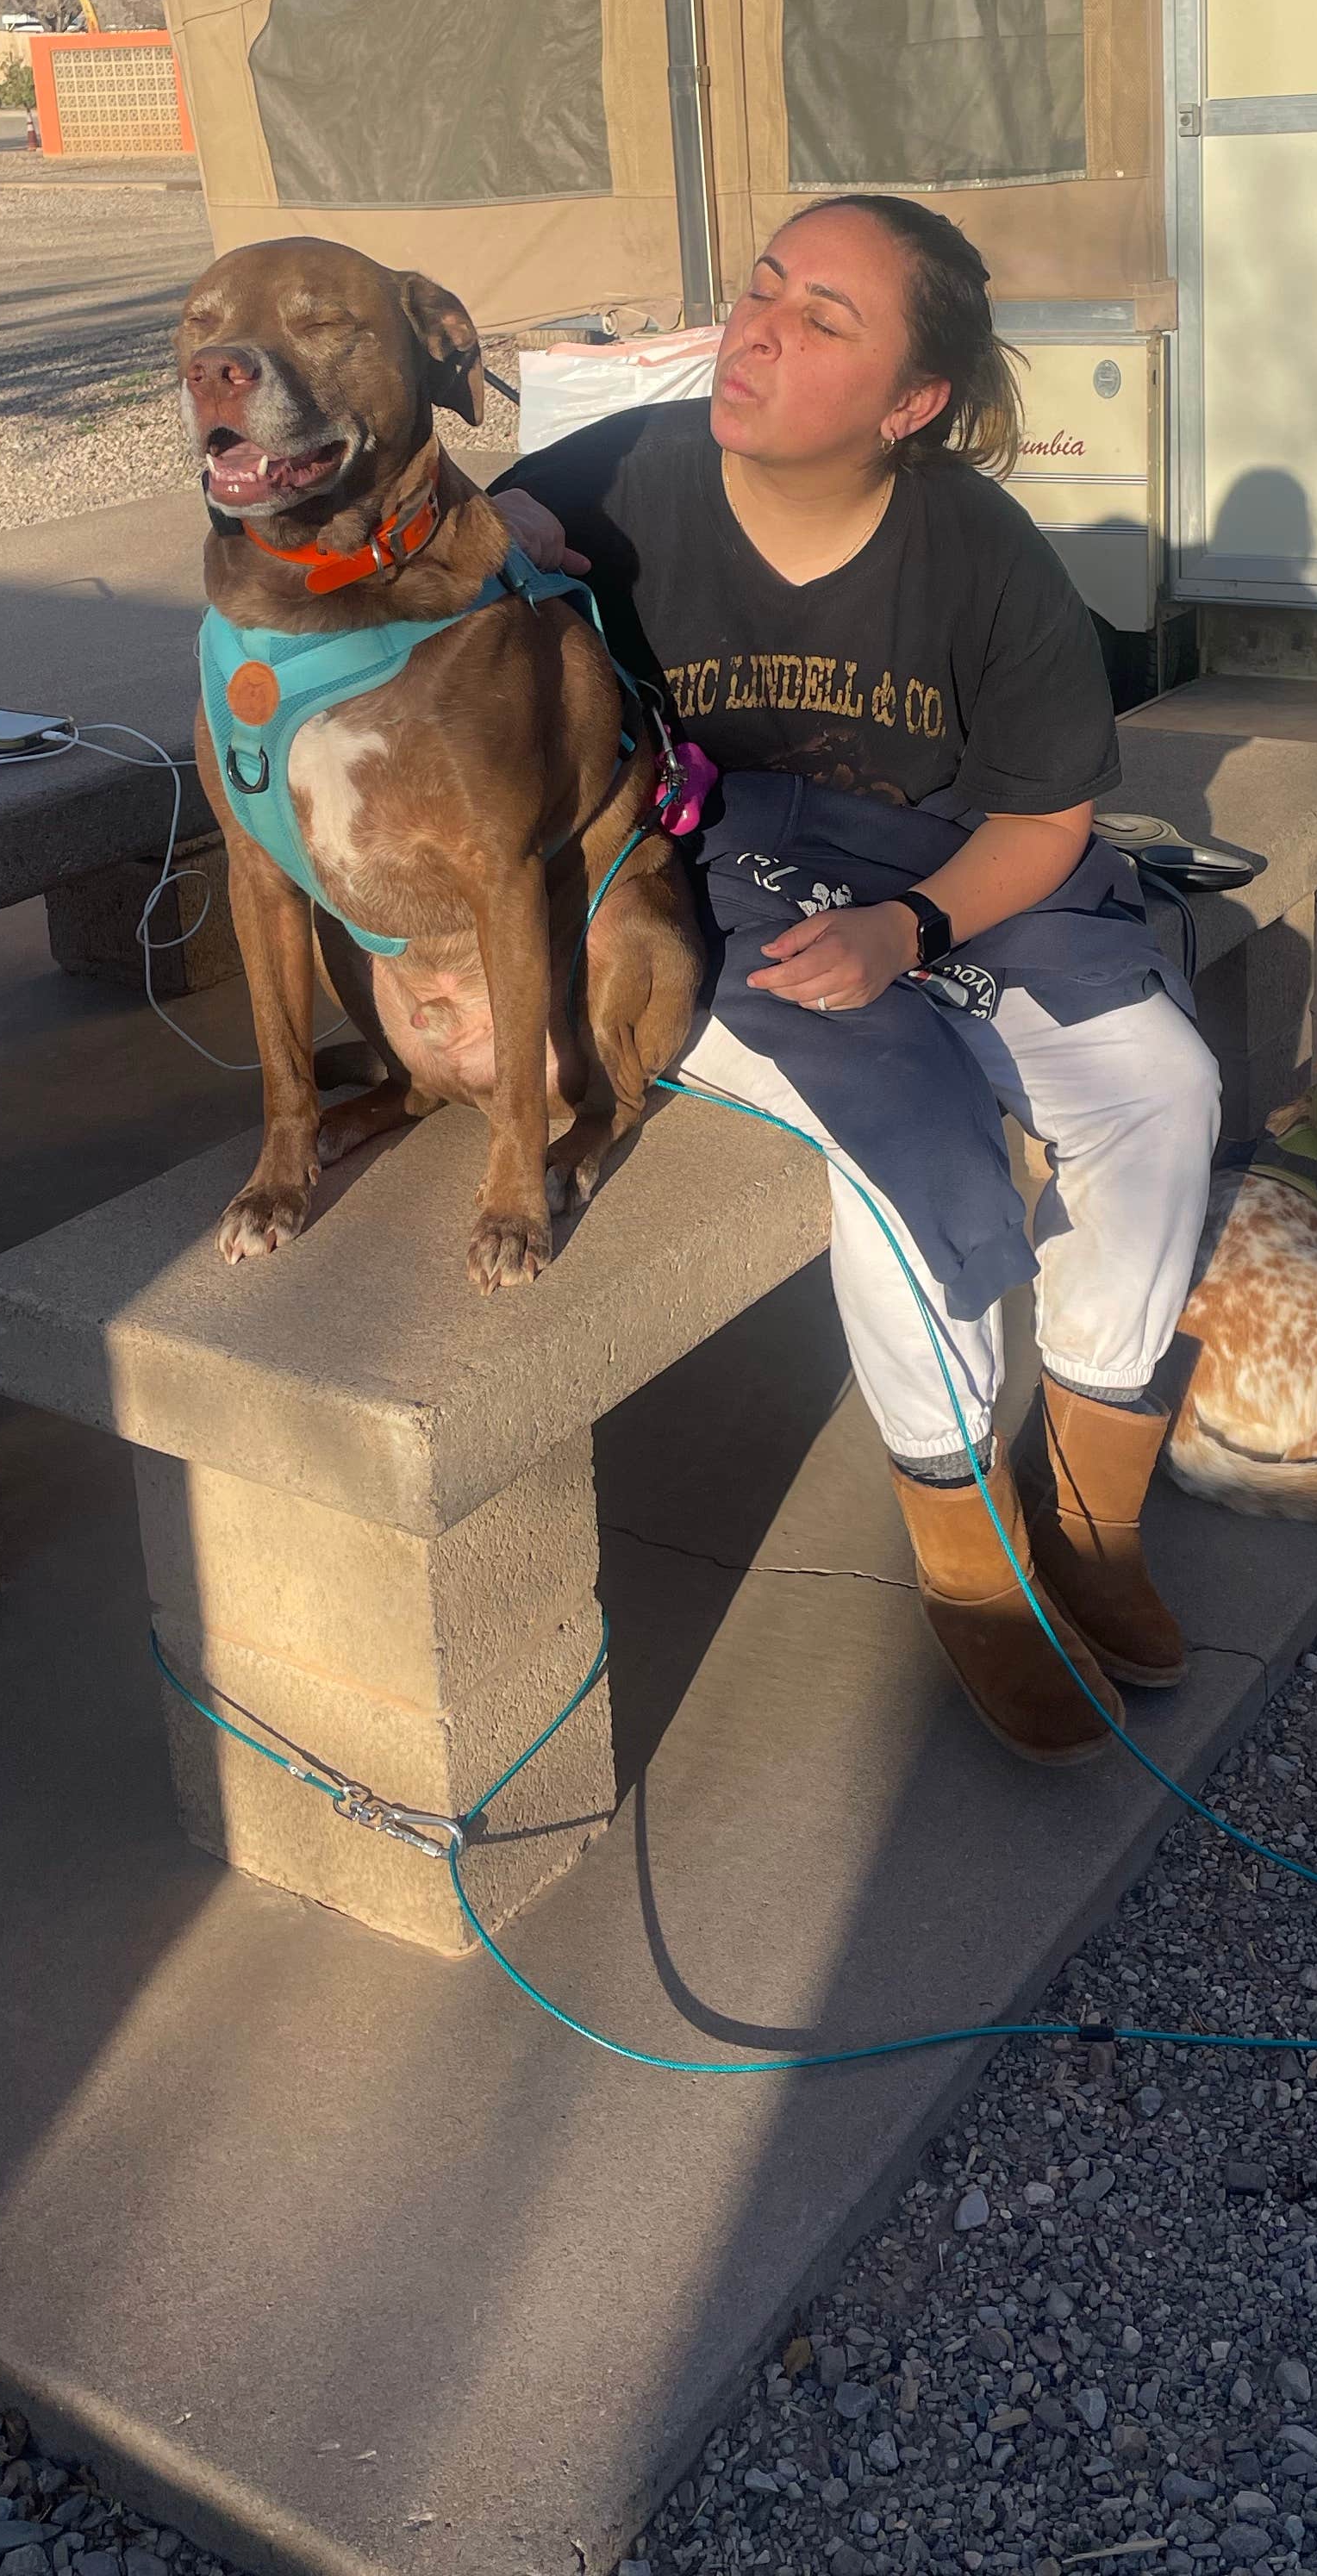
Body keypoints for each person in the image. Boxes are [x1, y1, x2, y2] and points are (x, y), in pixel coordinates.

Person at [495, 195, 1221, 1765]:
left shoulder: (976, 551)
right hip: (710, 885)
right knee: (903, 1138)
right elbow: (447, 545)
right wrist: (494, 534)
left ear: (911, 407)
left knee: (1163, 1087)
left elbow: (1045, 819)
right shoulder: (619, 479)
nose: (758, 330)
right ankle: (969, 1556)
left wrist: (919, 931)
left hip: (954, 868)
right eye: (761, 291)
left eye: (825, 320)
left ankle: (1092, 1513)